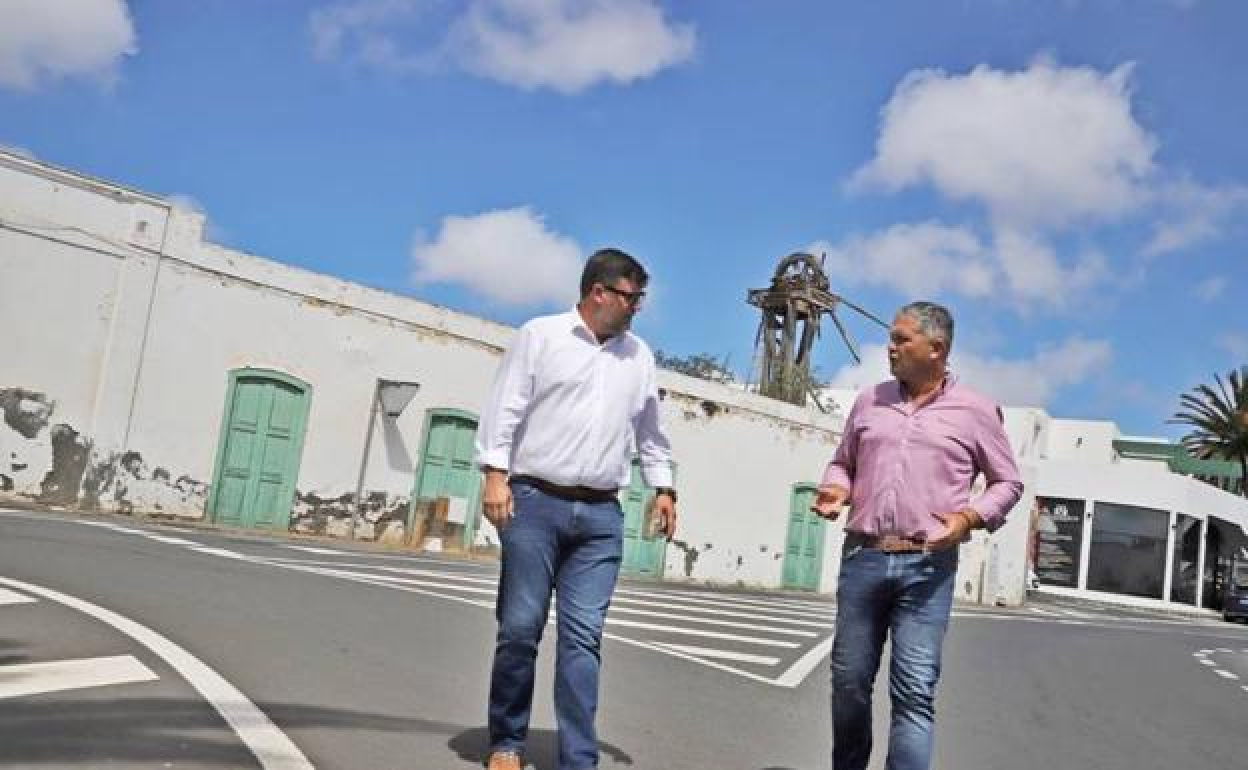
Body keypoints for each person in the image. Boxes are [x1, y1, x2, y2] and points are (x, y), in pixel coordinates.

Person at [474, 248, 677, 770]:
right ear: (598, 293)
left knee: (583, 639)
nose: (637, 308)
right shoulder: (541, 336)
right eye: (631, 297)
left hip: (601, 518)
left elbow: (651, 433)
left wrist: (664, 488)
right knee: (520, 628)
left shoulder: (640, 356)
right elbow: (505, 409)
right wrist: (496, 474)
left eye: (641, 299)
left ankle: (578, 759)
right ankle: (507, 742)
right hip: (535, 503)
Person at [813, 300, 1023, 770]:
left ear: (937, 349)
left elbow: (1008, 482)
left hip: (927, 566)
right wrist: (836, 487)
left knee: (914, 689)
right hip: (863, 558)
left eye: (901, 339)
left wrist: (969, 518)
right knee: (848, 683)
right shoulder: (870, 400)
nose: (890, 348)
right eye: (892, 337)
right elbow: (843, 460)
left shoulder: (975, 411)